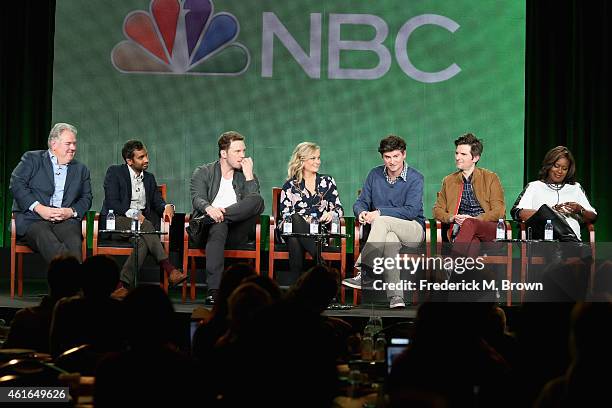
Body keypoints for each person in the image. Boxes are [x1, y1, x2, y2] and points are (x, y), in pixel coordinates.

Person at [342, 135, 425, 309]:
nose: (392, 161)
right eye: (388, 157)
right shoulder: (374, 174)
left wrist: (379, 213)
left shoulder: (416, 177)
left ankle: (365, 272)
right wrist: (362, 212)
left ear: (404, 155)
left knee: (381, 221)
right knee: (390, 240)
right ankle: (396, 297)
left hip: (413, 228)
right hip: (386, 232)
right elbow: (360, 202)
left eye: (396, 156)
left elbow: (411, 211)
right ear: (382, 157)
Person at [100, 140, 186, 298]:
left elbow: (157, 200)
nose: (146, 160)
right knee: (145, 224)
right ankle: (169, 269)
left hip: (140, 227)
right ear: (129, 161)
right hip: (117, 220)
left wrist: (167, 206)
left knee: (142, 242)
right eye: (141, 157)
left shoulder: (149, 178)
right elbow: (112, 202)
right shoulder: (115, 172)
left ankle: (122, 285)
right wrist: (133, 214)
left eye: (146, 155)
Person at [189, 131, 265, 305]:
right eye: (237, 151)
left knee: (257, 200)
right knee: (218, 225)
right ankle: (214, 291)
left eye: (243, 151)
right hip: (207, 232)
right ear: (224, 153)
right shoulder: (203, 172)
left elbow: (254, 202)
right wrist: (209, 208)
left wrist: (248, 177)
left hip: (236, 232)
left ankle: (219, 217)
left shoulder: (247, 175)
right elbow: (197, 198)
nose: (243, 156)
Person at [9, 122, 92, 263]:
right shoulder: (32, 159)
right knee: (46, 239)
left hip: (65, 219)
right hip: (33, 218)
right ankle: (75, 277)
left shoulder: (81, 169)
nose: (73, 148)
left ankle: (69, 280)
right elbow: (16, 184)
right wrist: (39, 208)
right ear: (54, 144)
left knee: (74, 241)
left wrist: (71, 212)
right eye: (68, 144)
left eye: (74, 144)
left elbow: (86, 197)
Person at [278, 142, 344, 276]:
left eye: (318, 158)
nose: (318, 162)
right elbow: (285, 215)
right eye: (313, 158)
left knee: (295, 239)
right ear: (301, 161)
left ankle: (297, 287)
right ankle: (322, 264)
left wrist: (331, 213)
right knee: (295, 222)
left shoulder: (327, 181)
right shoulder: (290, 186)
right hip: (292, 228)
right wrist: (304, 220)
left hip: (318, 232)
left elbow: (339, 208)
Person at [511, 146, 596, 240]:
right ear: (549, 165)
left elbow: (593, 216)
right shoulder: (534, 186)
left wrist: (580, 209)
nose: (560, 171)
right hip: (542, 242)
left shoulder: (575, 188)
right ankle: (569, 240)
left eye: (564, 168)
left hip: (570, 246)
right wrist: (549, 213)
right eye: (556, 166)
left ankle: (569, 241)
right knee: (546, 211)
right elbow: (516, 213)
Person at [433, 133, 506, 244]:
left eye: (463, 154)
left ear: (475, 158)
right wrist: (453, 218)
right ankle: (460, 261)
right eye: (457, 153)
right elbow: (437, 210)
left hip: (487, 227)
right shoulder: (448, 181)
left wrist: (475, 219)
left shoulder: (491, 178)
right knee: (473, 243)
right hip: (461, 229)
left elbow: (499, 212)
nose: (458, 157)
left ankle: (453, 260)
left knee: (469, 223)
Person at [3, 255, 81, 353]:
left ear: (49, 280)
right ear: (80, 284)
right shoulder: (88, 320)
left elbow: (6, 354)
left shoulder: (25, 317)